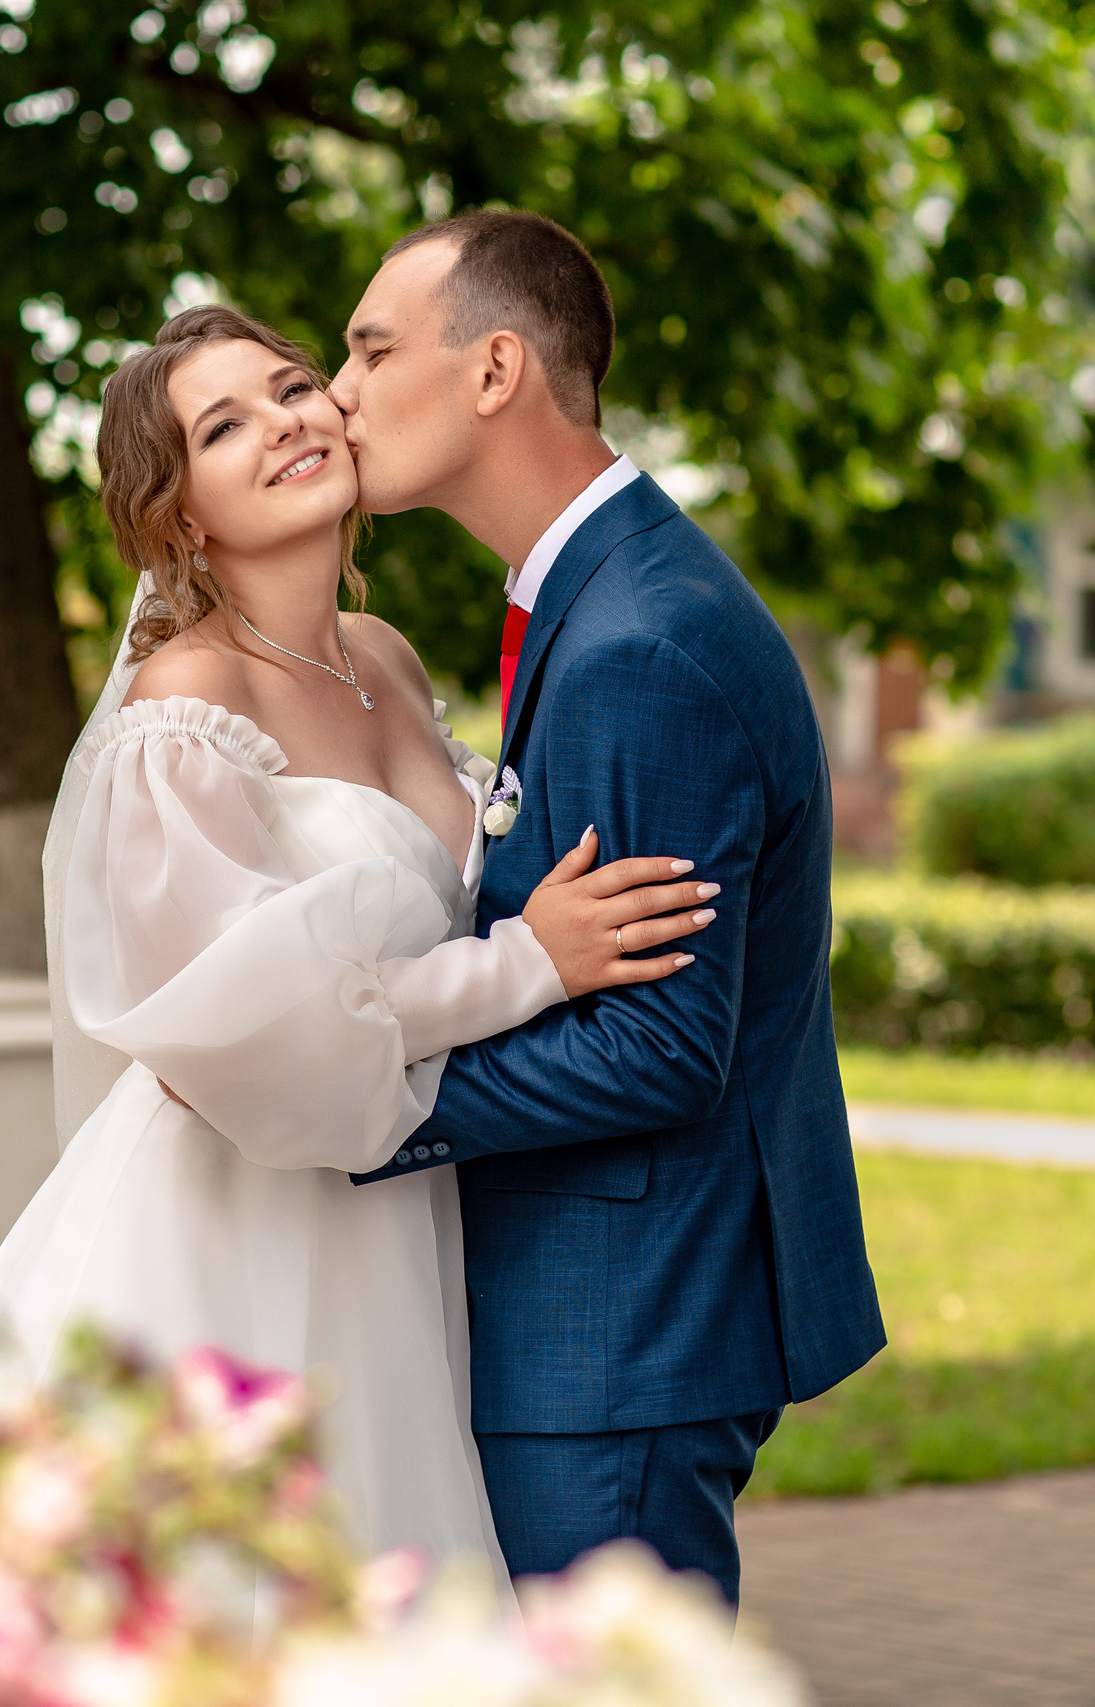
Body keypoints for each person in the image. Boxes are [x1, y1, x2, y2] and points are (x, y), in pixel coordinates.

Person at [0, 303, 719, 1580]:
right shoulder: (185, 704)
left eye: (294, 387)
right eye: (223, 426)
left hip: (397, 1207)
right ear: (180, 510)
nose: (288, 422)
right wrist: (533, 962)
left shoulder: (387, 660)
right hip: (241, 1216)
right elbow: (243, 1031)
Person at [328, 210, 886, 1605]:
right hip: (594, 1314)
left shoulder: (644, 642)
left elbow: (658, 1041)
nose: (338, 392)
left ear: (495, 368)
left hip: (617, 1326)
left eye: (370, 348)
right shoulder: (606, 596)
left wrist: (351, 1100)